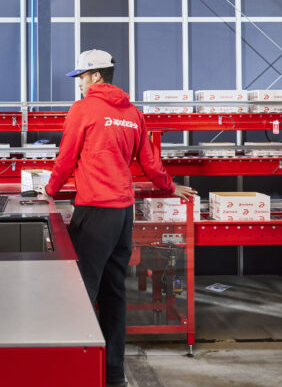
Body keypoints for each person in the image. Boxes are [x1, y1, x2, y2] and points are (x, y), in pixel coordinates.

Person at [44, 49, 196, 387]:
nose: (79, 84)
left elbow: (66, 158)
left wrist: (48, 191)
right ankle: (113, 376)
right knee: (114, 294)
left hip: (95, 213)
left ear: (96, 76)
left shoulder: (83, 110)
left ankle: (78, 374)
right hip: (122, 215)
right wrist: (170, 186)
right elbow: (150, 162)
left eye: (81, 77)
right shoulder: (132, 113)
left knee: (81, 294)